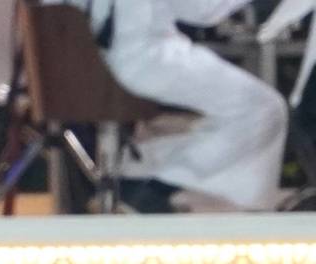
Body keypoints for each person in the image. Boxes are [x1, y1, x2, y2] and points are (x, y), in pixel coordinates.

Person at [87, 1, 287, 212]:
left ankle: (140, 178)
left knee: (225, 121)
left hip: (81, 69)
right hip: (144, 58)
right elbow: (201, 11)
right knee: (263, 109)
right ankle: (153, 189)